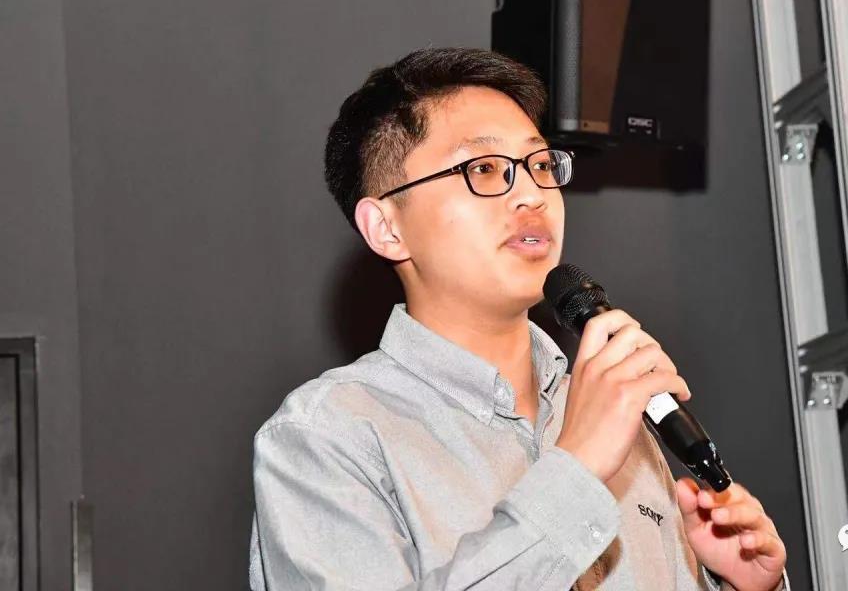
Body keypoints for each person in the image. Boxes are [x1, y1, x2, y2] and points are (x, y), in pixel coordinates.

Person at [248, 48, 789, 590]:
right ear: (387, 228)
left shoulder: (615, 417)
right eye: (483, 168)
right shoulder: (326, 438)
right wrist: (578, 468)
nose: (532, 194)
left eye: (541, 165)